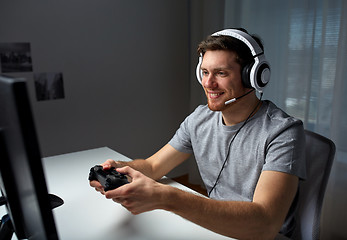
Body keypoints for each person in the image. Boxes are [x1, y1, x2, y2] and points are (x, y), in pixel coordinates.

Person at [90, 28, 306, 240]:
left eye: (221, 73)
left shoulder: (283, 132)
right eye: (204, 72)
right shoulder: (199, 119)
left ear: (253, 76)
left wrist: (169, 198)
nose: (208, 83)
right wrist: (121, 168)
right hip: (215, 226)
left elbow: (265, 225)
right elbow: (154, 166)